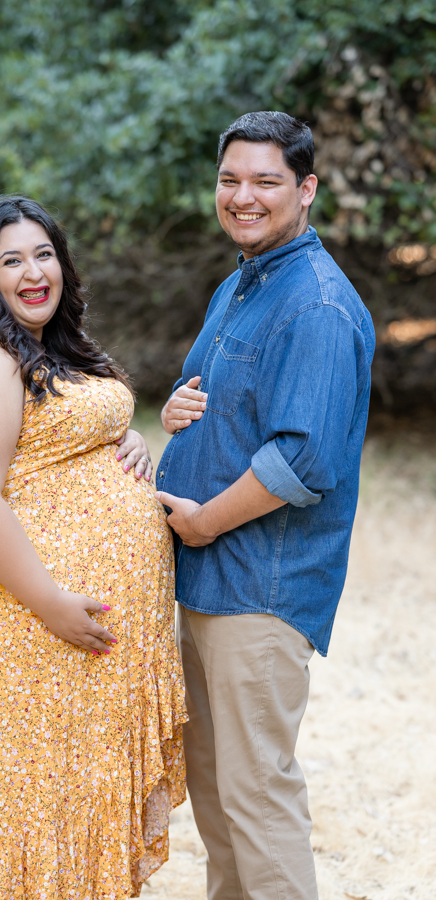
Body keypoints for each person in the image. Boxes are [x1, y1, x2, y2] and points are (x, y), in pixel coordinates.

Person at [0, 195, 187, 899]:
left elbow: (45, 439)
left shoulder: (41, 344)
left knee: (62, 793)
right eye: (11, 261)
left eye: (44, 254)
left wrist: (118, 439)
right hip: (18, 622)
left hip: (63, 638)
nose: (34, 273)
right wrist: (50, 601)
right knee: (14, 802)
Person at [155, 111, 375, 900]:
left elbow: (302, 459)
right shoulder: (241, 282)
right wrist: (176, 414)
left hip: (260, 586)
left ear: (305, 189)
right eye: (229, 179)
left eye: (264, 181)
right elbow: (224, 402)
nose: (242, 196)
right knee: (215, 796)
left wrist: (204, 521)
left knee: (256, 797)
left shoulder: (313, 303)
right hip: (210, 580)